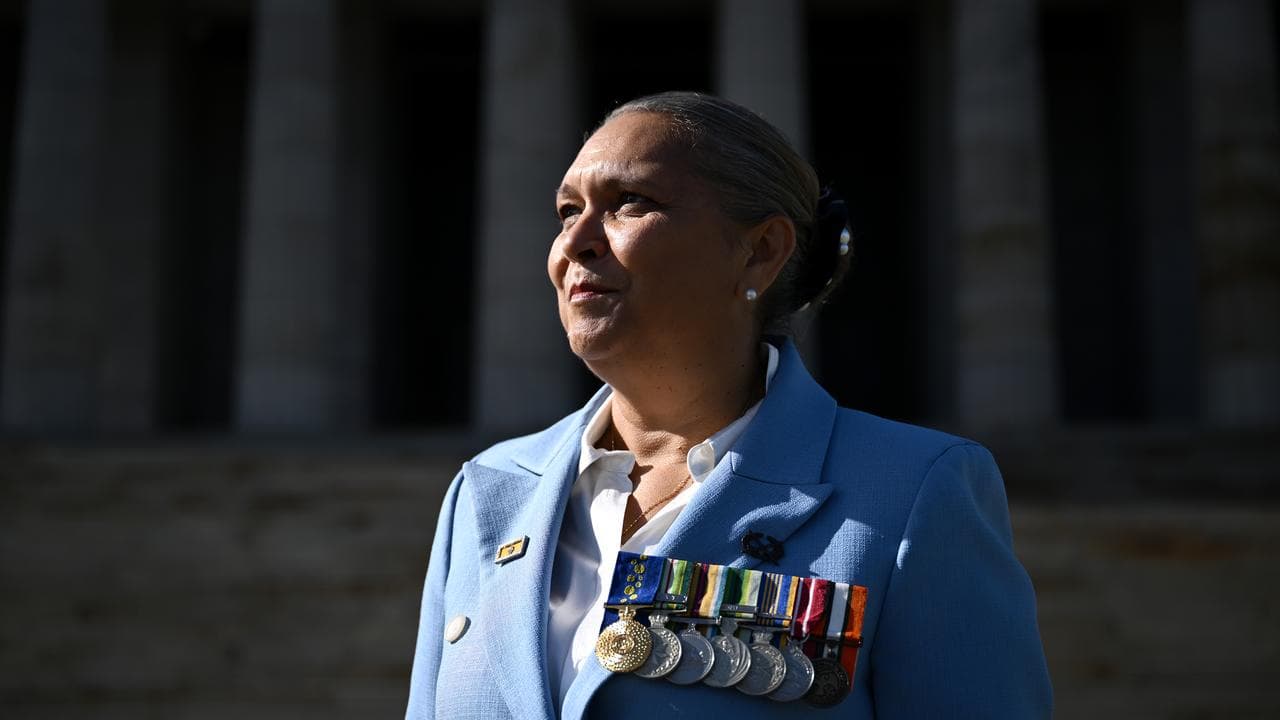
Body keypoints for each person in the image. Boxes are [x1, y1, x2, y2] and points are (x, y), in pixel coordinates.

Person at [405, 91, 1052, 720]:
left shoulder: (915, 493)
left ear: (761, 250)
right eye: (567, 210)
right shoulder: (488, 492)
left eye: (629, 202)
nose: (575, 243)